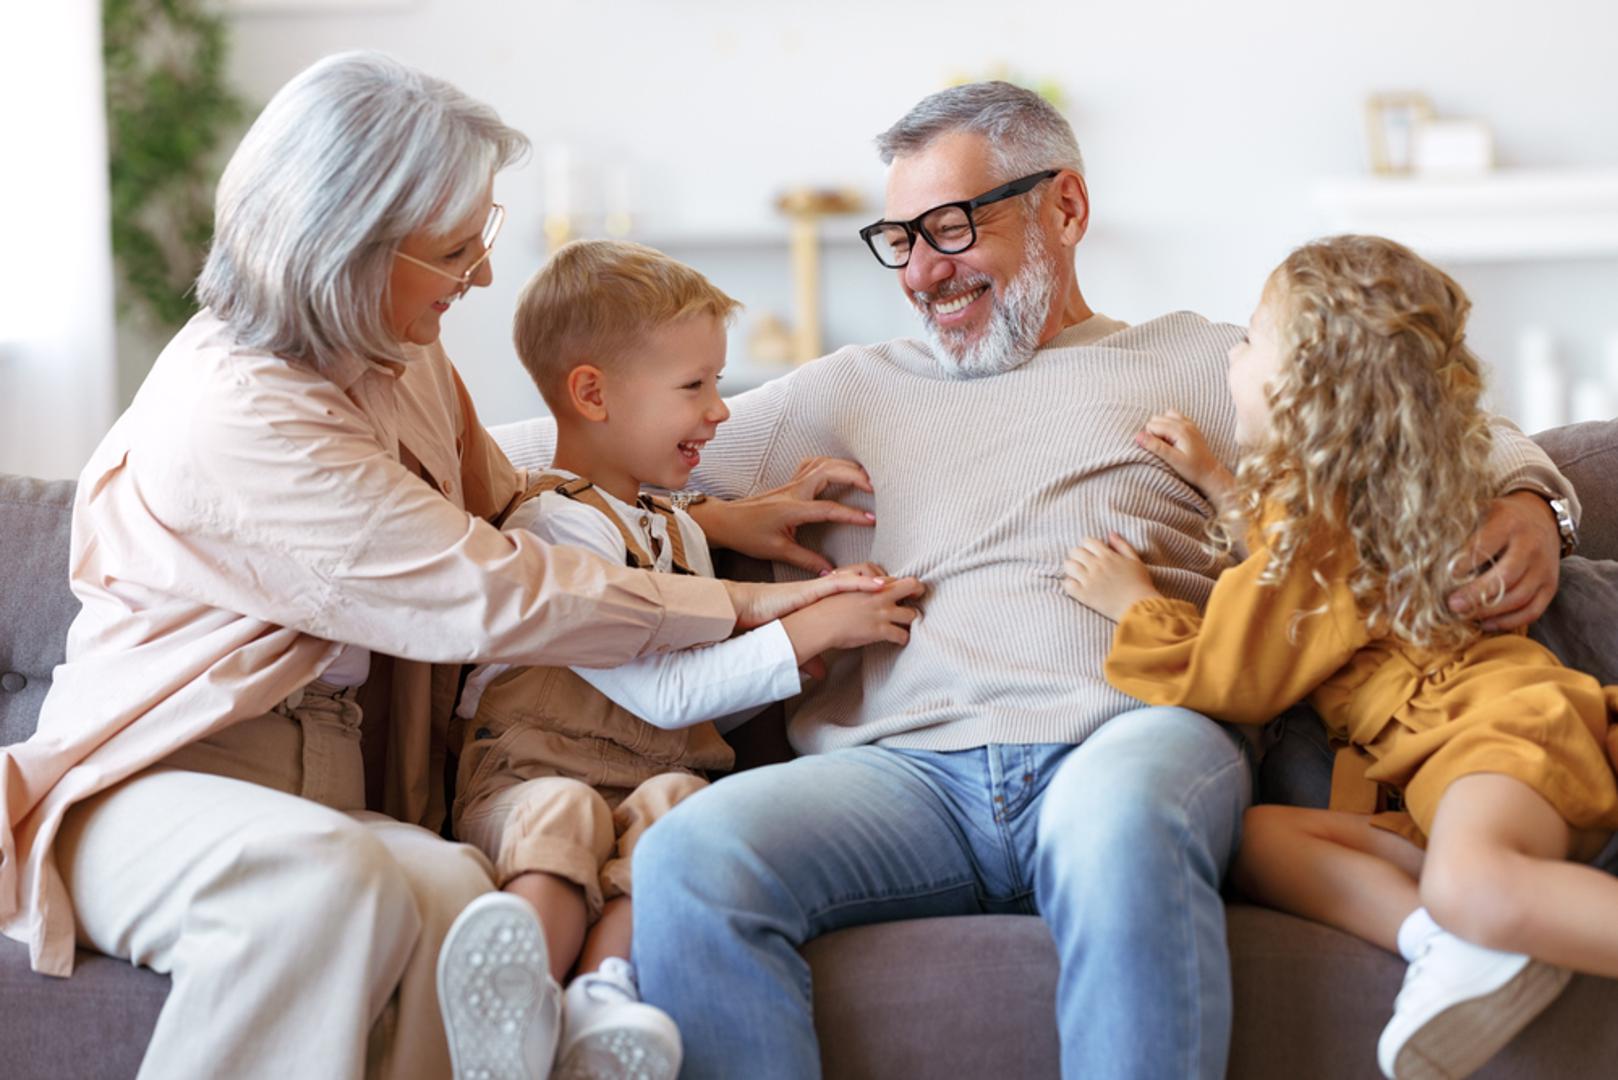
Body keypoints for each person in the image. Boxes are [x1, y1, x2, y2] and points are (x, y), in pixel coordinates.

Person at [502, 83, 1579, 1077]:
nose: (921, 272)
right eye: (899, 240)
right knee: (693, 855)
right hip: (905, 777)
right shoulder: (844, 389)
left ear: (1064, 207)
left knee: (1119, 822)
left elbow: (1409, 413)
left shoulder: (1202, 361)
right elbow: (564, 448)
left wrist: (1534, 501)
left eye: (950, 228)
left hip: (1124, 740)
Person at [0, 52, 878, 1080]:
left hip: (327, 791)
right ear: (350, 247)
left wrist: (716, 518)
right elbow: (494, 585)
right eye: (457, 251)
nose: (485, 277)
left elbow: (507, 499)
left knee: (461, 896)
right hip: (160, 780)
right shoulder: (240, 417)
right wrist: (741, 607)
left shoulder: (401, 354)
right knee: (321, 888)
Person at [1062, 234, 1618, 1080]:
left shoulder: (1315, 526)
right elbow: (1297, 582)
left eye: (1251, 338)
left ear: (1303, 392)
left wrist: (1134, 604)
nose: (1232, 354)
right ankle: (1444, 944)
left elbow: (1235, 675)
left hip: (1494, 736)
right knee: (1260, 841)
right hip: (1440, 768)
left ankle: (1465, 914)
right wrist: (1219, 483)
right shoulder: (1336, 509)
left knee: (1471, 884)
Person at [440, 240, 921, 1080]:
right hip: (530, 778)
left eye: (718, 382)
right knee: (567, 812)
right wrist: (806, 632)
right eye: (694, 386)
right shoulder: (555, 529)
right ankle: (511, 1013)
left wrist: (784, 676)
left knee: (682, 810)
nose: (720, 411)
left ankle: (600, 1001)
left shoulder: (679, 530)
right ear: (593, 394)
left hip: (645, 778)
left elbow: (691, 708)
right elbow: (658, 692)